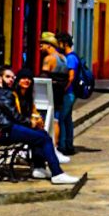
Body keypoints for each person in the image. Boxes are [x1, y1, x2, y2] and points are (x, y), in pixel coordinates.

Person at [0, 66, 79, 185]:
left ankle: (39, 168)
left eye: (12, 77)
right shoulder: (3, 94)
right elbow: (15, 116)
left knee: (40, 134)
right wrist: (31, 123)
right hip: (3, 132)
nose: (11, 80)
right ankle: (57, 173)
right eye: (7, 77)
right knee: (44, 138)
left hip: (4, 129)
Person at [38, 32, 71, 163]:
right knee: (56, 120)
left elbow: (43, 78)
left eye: (43, 44)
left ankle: (47, 148)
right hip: (60, 93)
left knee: (45, 120)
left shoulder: (49, 59)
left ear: (50, 45)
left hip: (49, 93)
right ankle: (55, 148)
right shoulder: (63, 58)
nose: (40, 46)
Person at [56, 32, 79, 156]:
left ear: (65, 44)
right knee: (68, 120)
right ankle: (69, 144)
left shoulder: (70, 58)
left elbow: (70, 77)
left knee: (61, 119)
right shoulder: (72, 56)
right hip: (71, 93)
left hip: (68, 93)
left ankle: (63, 145)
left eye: (59, 43)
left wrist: (63, 89)